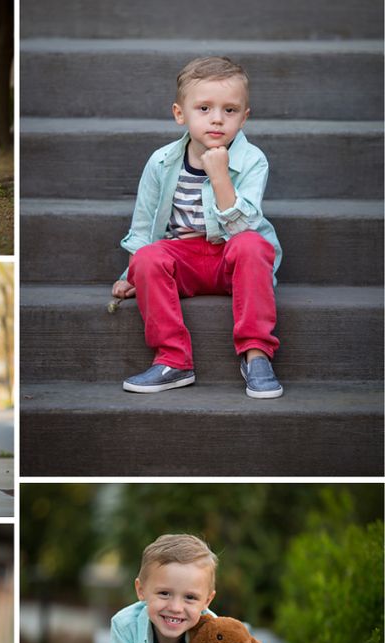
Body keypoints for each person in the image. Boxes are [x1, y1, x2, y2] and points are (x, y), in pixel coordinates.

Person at [112, 57, 284, 399]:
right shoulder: (161, 162)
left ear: (244, 117)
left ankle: (256, 354)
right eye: (204, 108)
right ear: (181, 114)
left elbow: (243, 227)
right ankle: (173, 360)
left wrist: (220, 175)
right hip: (185, 261)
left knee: (252, 245)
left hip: (232, 256)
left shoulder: (252, 160)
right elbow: (144, 224)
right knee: (146, 258)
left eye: (230, 110)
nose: (217, 118)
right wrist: (131, 272)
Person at [88, 533, 240, 643]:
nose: (176, 608)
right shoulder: (125, 624)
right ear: (141, 590)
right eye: (164, 593)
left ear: (207, 600)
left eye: (190, 597)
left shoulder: (214, 629)